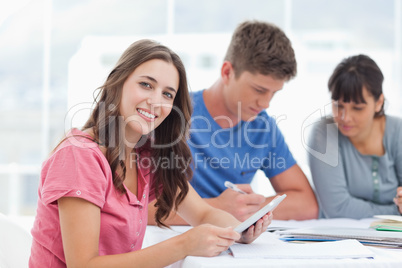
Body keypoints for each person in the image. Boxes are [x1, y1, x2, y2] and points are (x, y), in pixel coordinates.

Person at [29, 39, 272, 267]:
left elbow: (203, 213)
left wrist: (240, 231)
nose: (156, 101)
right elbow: (83, 265)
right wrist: (184, 244)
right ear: (118, 82)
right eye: (146, 85)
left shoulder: (147, 157)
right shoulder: (79, 155)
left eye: (167, 94)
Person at [148, 20, 318, 225]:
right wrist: (218, 209)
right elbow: (133, 206)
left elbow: (306, 204)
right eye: (259, 90)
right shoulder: (172, 115)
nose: (265, 103)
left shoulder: (262, 127)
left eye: (274, 93)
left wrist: (249, 208)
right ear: (227, 72)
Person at [307, 54, 402, 219]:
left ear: (379, 102)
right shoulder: (324, 133)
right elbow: (338, 209)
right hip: (340, 236)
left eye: (357, 108)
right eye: (338, 105)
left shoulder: (398, 132)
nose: (345, 117)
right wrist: (397, 212)